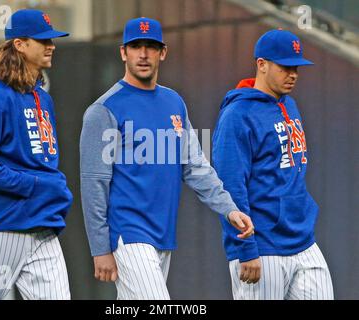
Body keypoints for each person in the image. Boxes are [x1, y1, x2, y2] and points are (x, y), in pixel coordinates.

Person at [80, 17, 254, 300]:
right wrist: (100, 248)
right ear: (123, 52)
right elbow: (93, 184)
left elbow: (195, 165)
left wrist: (229, 209)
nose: (144, 54)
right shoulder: (104, 110)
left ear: (163, 52)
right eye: (136, 46)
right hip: (128, 234)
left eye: (151, 46)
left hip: (162, 234)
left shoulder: (174, 102)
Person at [0, 9, 73, 300]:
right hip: (0, 228)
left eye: (52, 39)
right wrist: (33, 186)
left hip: (42, 227)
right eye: (42, 39)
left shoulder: (43, 98)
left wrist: (51, 188)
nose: (51, 45)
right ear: (20, 44)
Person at [212, 29, 334, 300]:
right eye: (285, 67)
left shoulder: (289, 104)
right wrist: (245, 248)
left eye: (296, 68)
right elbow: (230, 186)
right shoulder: (237, 115)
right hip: (262, 246)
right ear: (262, 64)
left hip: (303, 241)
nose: (292, 74)